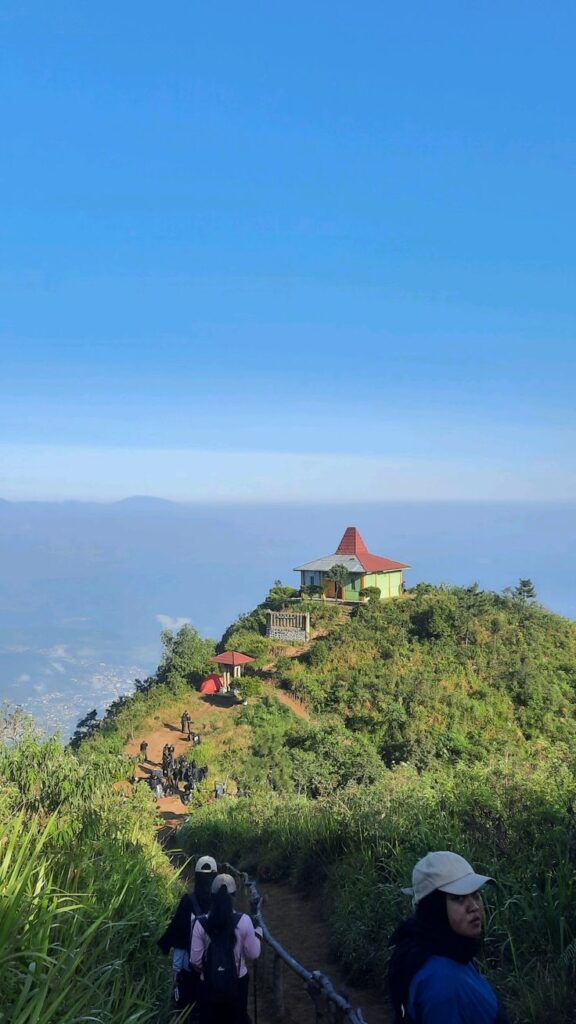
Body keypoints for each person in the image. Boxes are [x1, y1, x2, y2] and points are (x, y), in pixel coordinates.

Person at [388, 851, 508, 1024]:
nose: (474, 906)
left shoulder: (442, 949)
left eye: (475, 894)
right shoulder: (442, 983)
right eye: (459, 898)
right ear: (434, 909)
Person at [191, 873, 262, 1024]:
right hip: (238, 982)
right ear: (234, 896)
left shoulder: (200, 924)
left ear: (212, 895)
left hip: (209, 984)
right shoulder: (244, 921)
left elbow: (195, 962)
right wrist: (258, 934)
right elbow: (254, 954)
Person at [158, 855, 218, 1014]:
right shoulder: (221, 902)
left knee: (185, 1005)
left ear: (196, 875)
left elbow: (177, 931)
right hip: (215, 964)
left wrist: (164, 945)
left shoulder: (188, 900)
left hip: (189, 965)